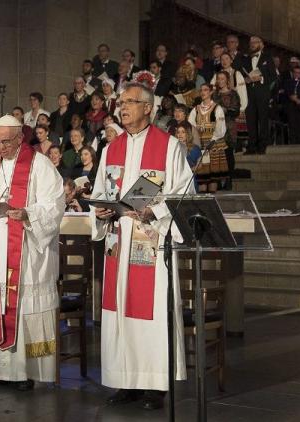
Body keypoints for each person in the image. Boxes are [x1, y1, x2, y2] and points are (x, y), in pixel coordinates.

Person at [90, 82, 192, 410]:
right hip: (118, 240)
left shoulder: (168, 147)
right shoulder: (111, 149)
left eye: (130, 102)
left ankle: (153, 384)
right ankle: (125, 381)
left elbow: (184, 194)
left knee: (147, 312)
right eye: (120, 103)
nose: (122, 108)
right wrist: (102, 210)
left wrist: (156, 211)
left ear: (148, 108)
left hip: (150, 239)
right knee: (120, 309)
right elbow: (102, 191)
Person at [0, 114, 64, 391]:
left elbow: (54, 206)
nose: (1, 147)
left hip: (27, 249)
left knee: (28, 308)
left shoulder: (40, 165)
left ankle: (30, 371)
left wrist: (28, 214)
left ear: (20, 138)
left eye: (7, 141)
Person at [189, 84, 227, 192]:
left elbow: (220, 128)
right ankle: (202, 205)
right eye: (201, 90)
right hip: (200, 144)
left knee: (213, 178)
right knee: (202, 177)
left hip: (214, 145)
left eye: (205, 90)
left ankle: (211, 204)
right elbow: (190, 126)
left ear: (210, 92)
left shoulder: (217, 108)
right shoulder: (196, 109)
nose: (202, 92)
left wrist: (212, 140)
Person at [243, 36, 276, 154]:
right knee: (250, 120)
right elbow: (240, 74)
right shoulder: (246, 58)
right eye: (250, 42)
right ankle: (252, 146)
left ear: (261, 44)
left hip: (262, 93)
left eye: (255, 42)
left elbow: (273, 76)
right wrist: (245, 79)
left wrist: (261, 78)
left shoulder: (267, 58)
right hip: (249, 94)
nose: (252, 44)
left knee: (263, 119)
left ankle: (263, 144)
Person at [213, 71, 241, 188]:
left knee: (228, 154)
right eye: (218, 78)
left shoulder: (233, 94)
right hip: (217, 127)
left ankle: (229, 180)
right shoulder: (214, 95)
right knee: (217, 156)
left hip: (229, 127)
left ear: (227, 80)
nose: (220, 81)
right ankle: (218, 181)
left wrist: (225, 110)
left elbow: (236, 110)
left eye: (222, 78)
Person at [285, 66, 300, 145]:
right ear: (293, 73)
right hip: (291, 106)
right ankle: (292, 143)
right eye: (295, 72)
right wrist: (294, 98)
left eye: (298, 73)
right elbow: (287, 92)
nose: (297, 74)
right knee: (292, 125)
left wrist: (298, 99)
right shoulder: (288, 82)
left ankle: (299, 143)